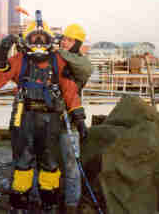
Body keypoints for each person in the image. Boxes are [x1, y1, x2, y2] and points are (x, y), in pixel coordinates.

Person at [0, 14, 88, 214]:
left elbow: (69, 91)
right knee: (23, 164)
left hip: (51, 121)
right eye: (35, 38)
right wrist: (2, 52)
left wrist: (79, 118)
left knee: (49, 164)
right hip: (23, 119)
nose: (39, 42)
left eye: (43, 38)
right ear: (27, 40)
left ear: (51, 40)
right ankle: (19, 206)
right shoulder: (19, 60)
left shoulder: (57, 61)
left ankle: (48, 205)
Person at [58, 23, 93, 214]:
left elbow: (87, 68)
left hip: (68, 120)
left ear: (77, 44)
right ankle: (49, 197)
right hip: (48, 119)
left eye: (69, 40)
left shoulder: (81, 63)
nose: (64, 42)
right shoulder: (56, 59)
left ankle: (71, 205)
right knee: (47, 163)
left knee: (71, 167)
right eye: (63, 38)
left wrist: (57, 53)